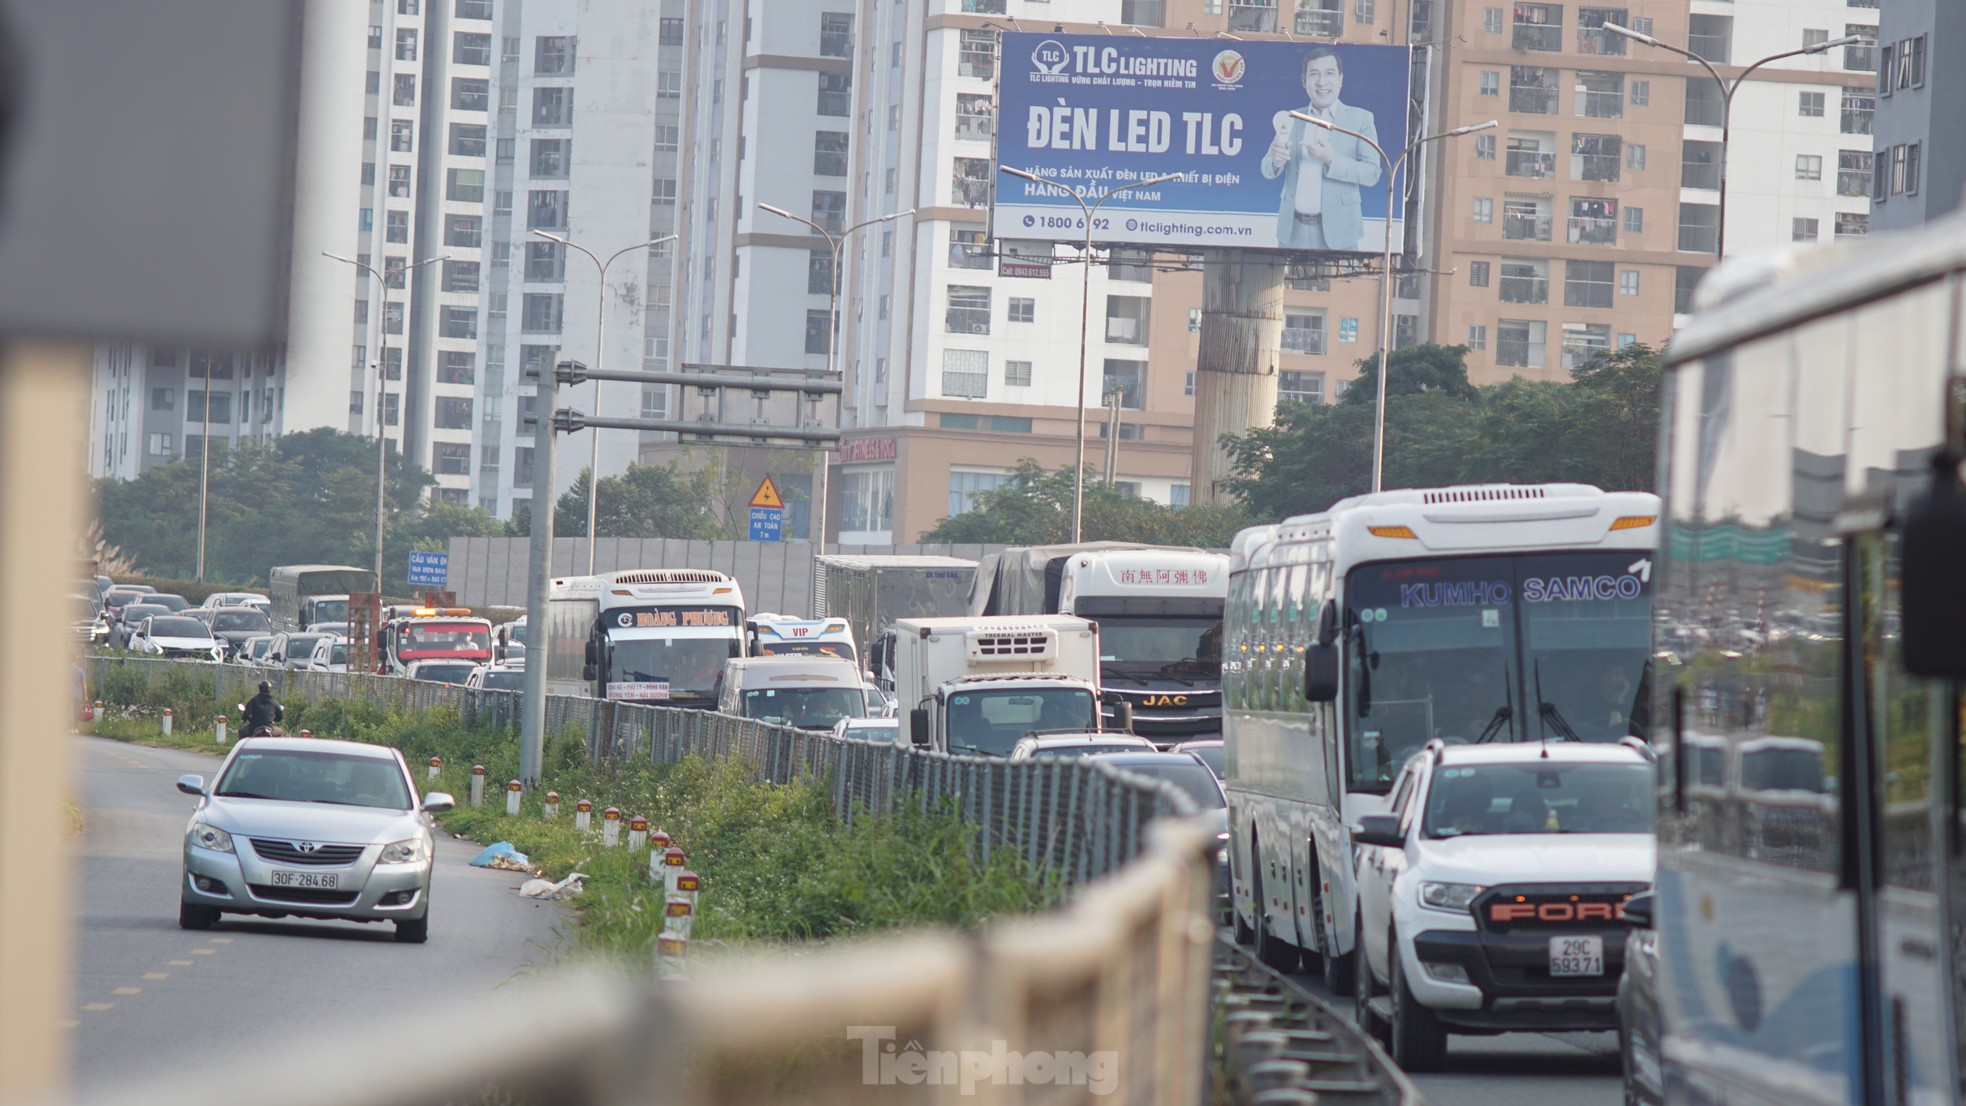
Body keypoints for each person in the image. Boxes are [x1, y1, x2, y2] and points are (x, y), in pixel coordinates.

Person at [1261, 48, 1383, 251]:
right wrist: (1275, 160)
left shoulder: (1361, 119)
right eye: (1314, 74)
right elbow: (1266, 168)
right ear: (1304, 81)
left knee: (1343, 283)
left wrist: (1332, 160)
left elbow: (1373, 173)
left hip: (1341, 232)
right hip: (1292, 230)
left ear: (1341, 79)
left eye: (1329, 73)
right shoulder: (1292, 118)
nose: (1321, 82)